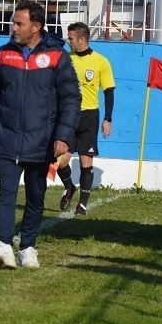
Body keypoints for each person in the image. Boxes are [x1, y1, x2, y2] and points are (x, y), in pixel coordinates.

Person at [0, 0, 81, 269]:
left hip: (42, 141)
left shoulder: (57, 57)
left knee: (36, 197)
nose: (13, 27)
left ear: (36, 27)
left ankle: (28, 248)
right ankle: (3, 245)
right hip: (7, 138)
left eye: (19, 23)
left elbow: (70, 99)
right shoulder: (2, 55)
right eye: (13, 22)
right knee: (6, 192)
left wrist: (63, 136)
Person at [58, 21, 115, 215]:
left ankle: (82, 205)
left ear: (81, 40)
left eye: (71, 38)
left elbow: (108, 92)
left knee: (85, 162)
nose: (68, 41)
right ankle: (69, 187)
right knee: (60, 160)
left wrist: (108, 119)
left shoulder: (101, 61)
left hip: (89, 117)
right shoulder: (66, 59)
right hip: (68, 116)